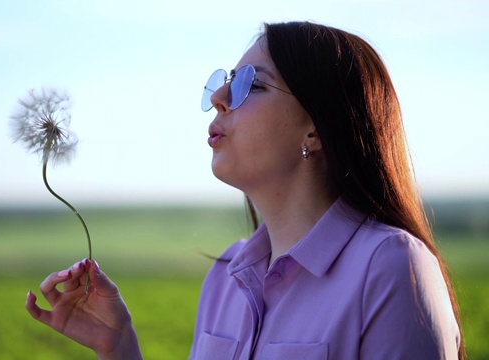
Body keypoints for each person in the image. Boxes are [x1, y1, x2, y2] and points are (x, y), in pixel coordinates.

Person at [25, 21, 464, 359]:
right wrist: (119, 347)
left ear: (314, 128)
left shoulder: (390, 268)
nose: (218, 96)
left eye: (248, 84)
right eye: (225, 80)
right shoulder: (225, 277)